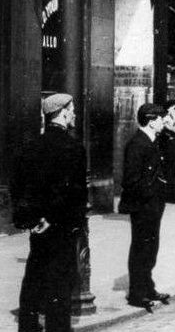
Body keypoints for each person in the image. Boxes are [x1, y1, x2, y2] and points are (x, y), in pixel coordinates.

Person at [12, 94, 86, 332]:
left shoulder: (31, 146)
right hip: (61, 227)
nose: (74, 114)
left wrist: (32, 220)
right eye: (72, 109)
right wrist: (52, 219)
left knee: (34, 279)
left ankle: (28, 327)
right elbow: (71, 193)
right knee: (60, 286)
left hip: (38, 228)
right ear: (63, 112)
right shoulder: (73, 148)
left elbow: (19, 187)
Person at [118, 102, 170, 311]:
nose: (163, 122)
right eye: (160, 119)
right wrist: (150, 195)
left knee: (150, 247)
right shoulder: (137, 144)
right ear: (151, 120)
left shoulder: (152, 141)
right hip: (143, 206)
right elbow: (131, 180)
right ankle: (137, 294)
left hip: (153, 205)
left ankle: (148, 288)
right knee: (141, 248)